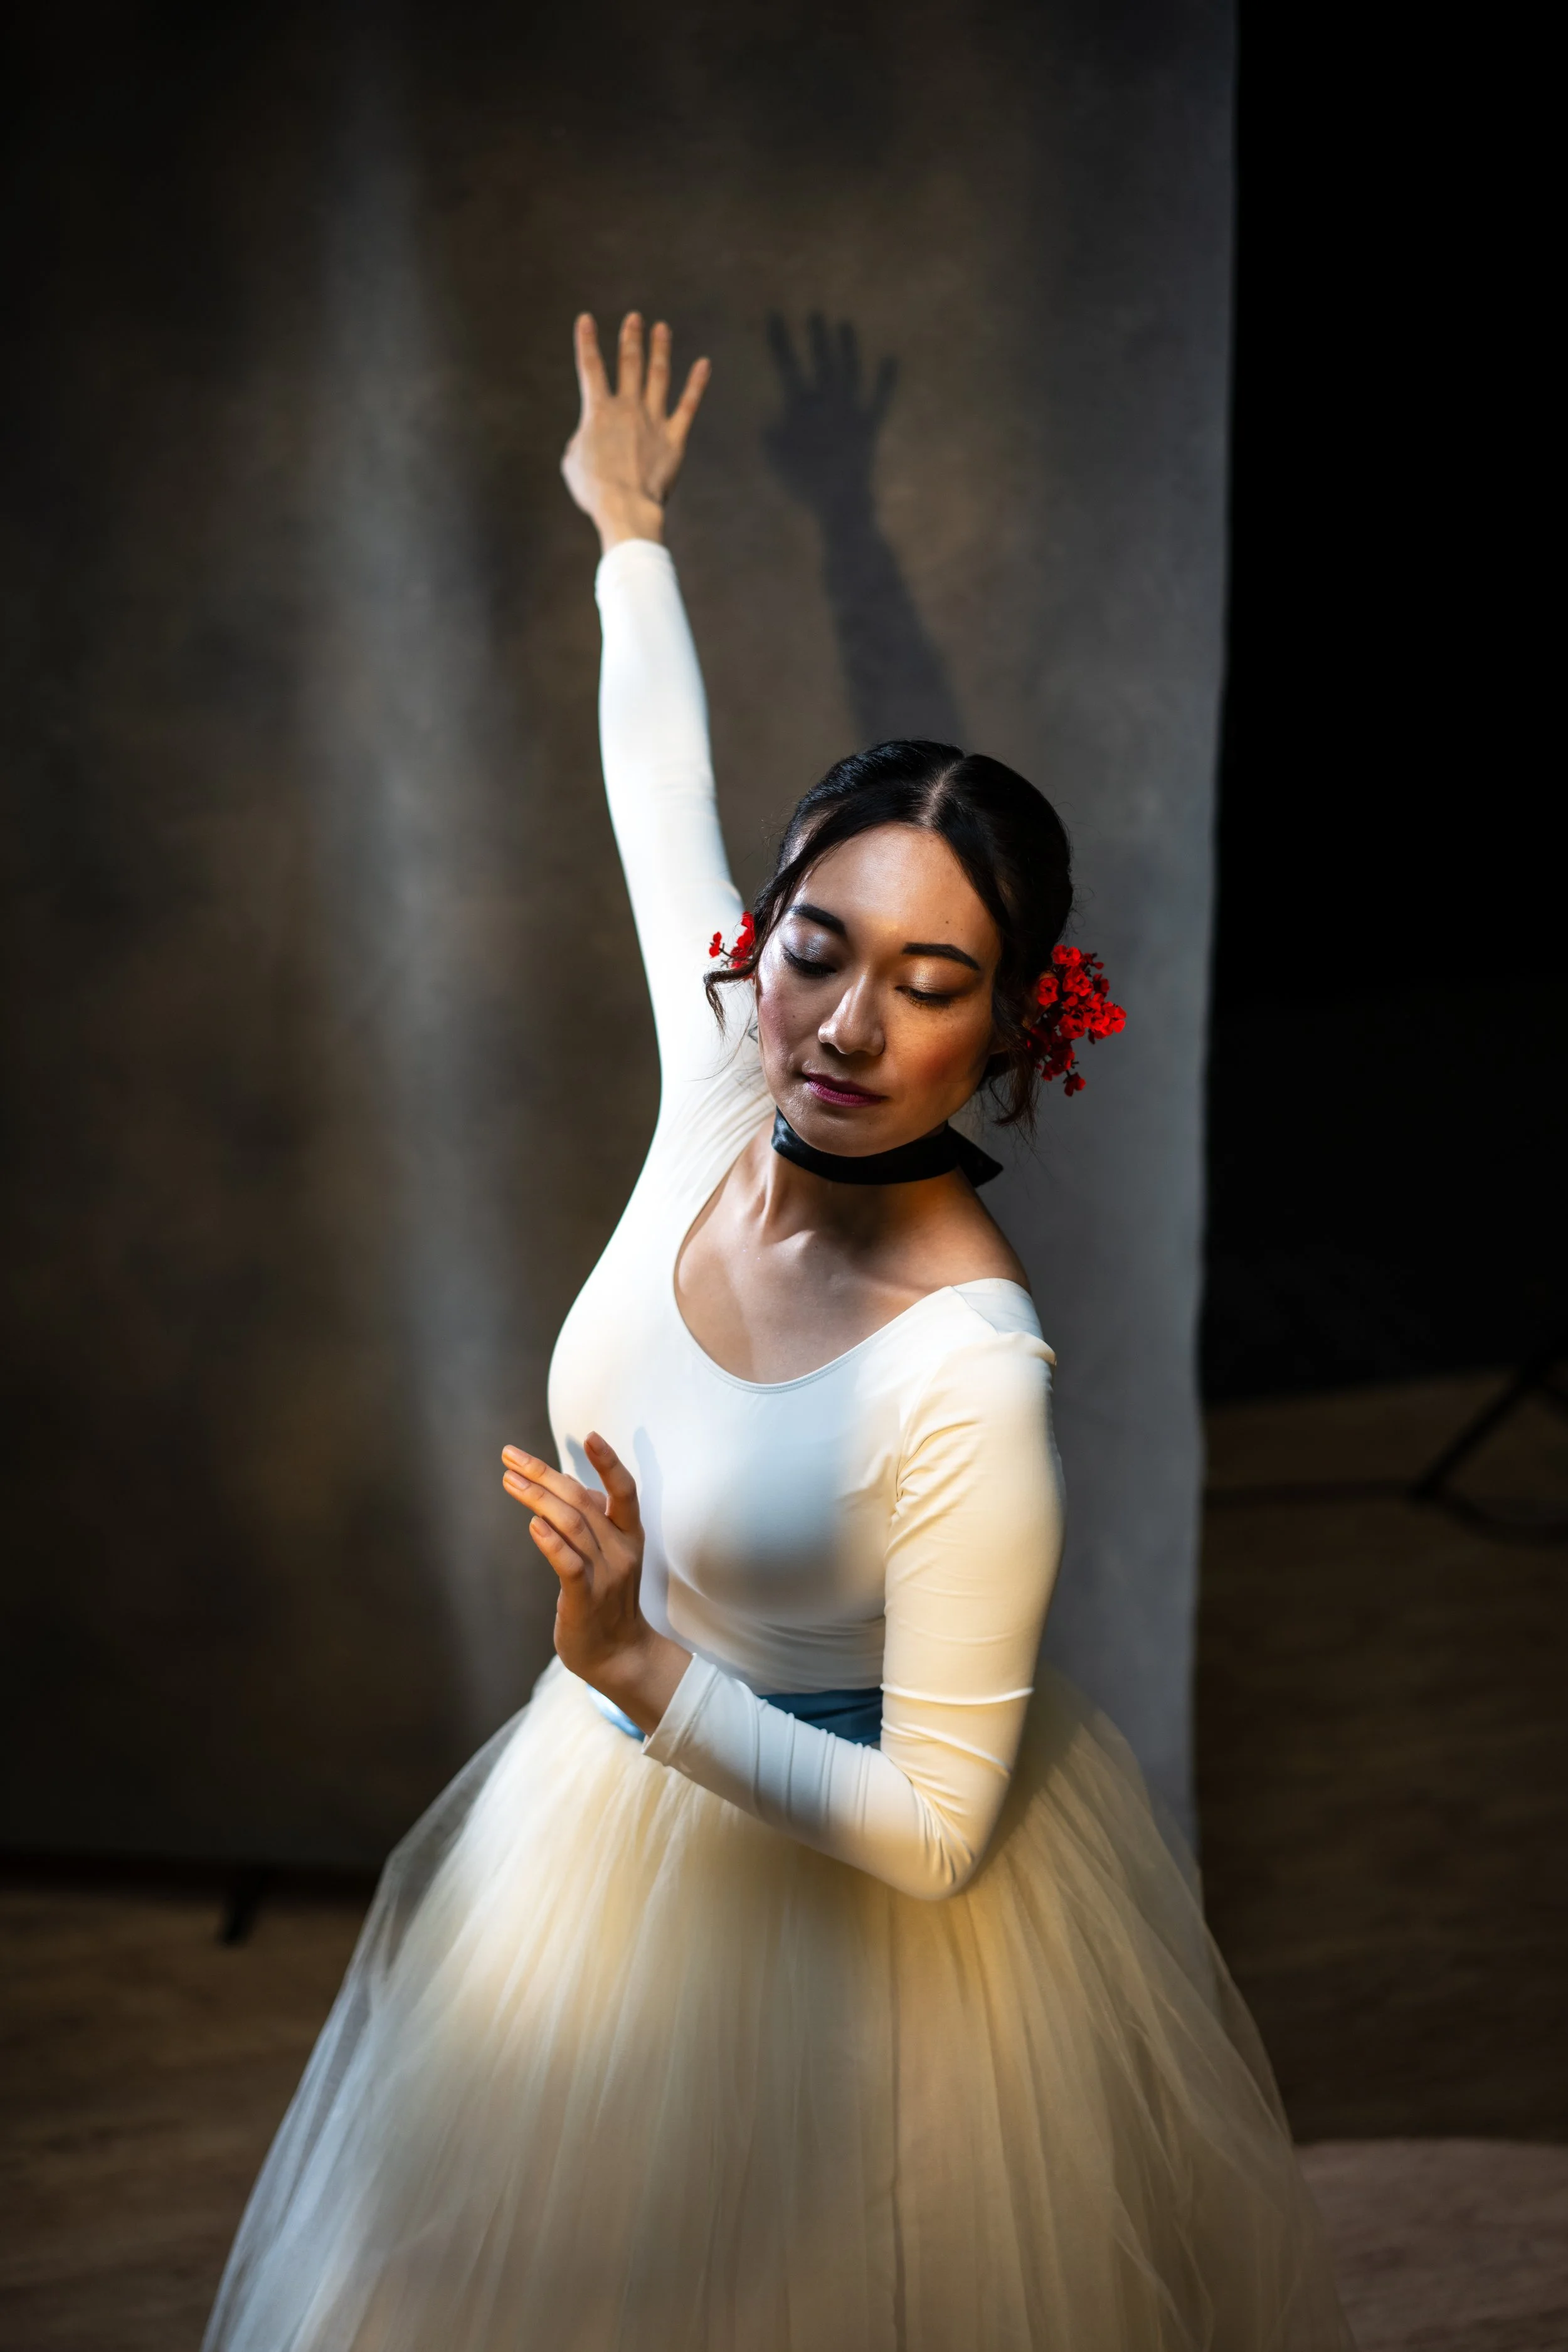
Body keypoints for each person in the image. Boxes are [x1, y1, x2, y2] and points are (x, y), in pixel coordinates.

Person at [204, 312, 1350, 2351]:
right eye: (816, 948)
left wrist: (642, 1663)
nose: (843, 1025)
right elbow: (660, 783)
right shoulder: (728, 1063)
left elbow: (940, 1837)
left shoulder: (966, 1372)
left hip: (846, 1923)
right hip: (599, 1818)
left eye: (929, 985)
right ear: (763, 942)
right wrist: (626, 530)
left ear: (1009, 1036)